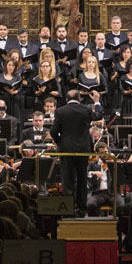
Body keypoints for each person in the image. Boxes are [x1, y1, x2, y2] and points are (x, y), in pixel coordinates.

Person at [50, 88, 104, 217]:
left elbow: (53, 131)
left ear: (66, 99)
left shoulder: (60, 111)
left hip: (66, 151)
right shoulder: (86, 109)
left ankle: (68, 211)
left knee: (67, 180)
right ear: (79, 99)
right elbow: (99, 116)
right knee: (82, 180)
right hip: (83, 151)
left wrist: (60, 143)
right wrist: (96, 101)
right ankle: (81, 210)